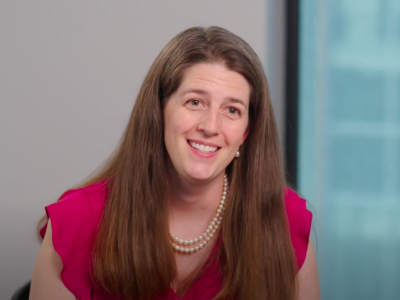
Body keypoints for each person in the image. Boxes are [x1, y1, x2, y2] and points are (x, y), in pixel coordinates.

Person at [29, 26, 320, 300]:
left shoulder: (286, 222)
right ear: (159, 111)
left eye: (232, 110)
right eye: (195, 102)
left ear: (245, 132)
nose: (210, 126)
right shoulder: (78, 221)